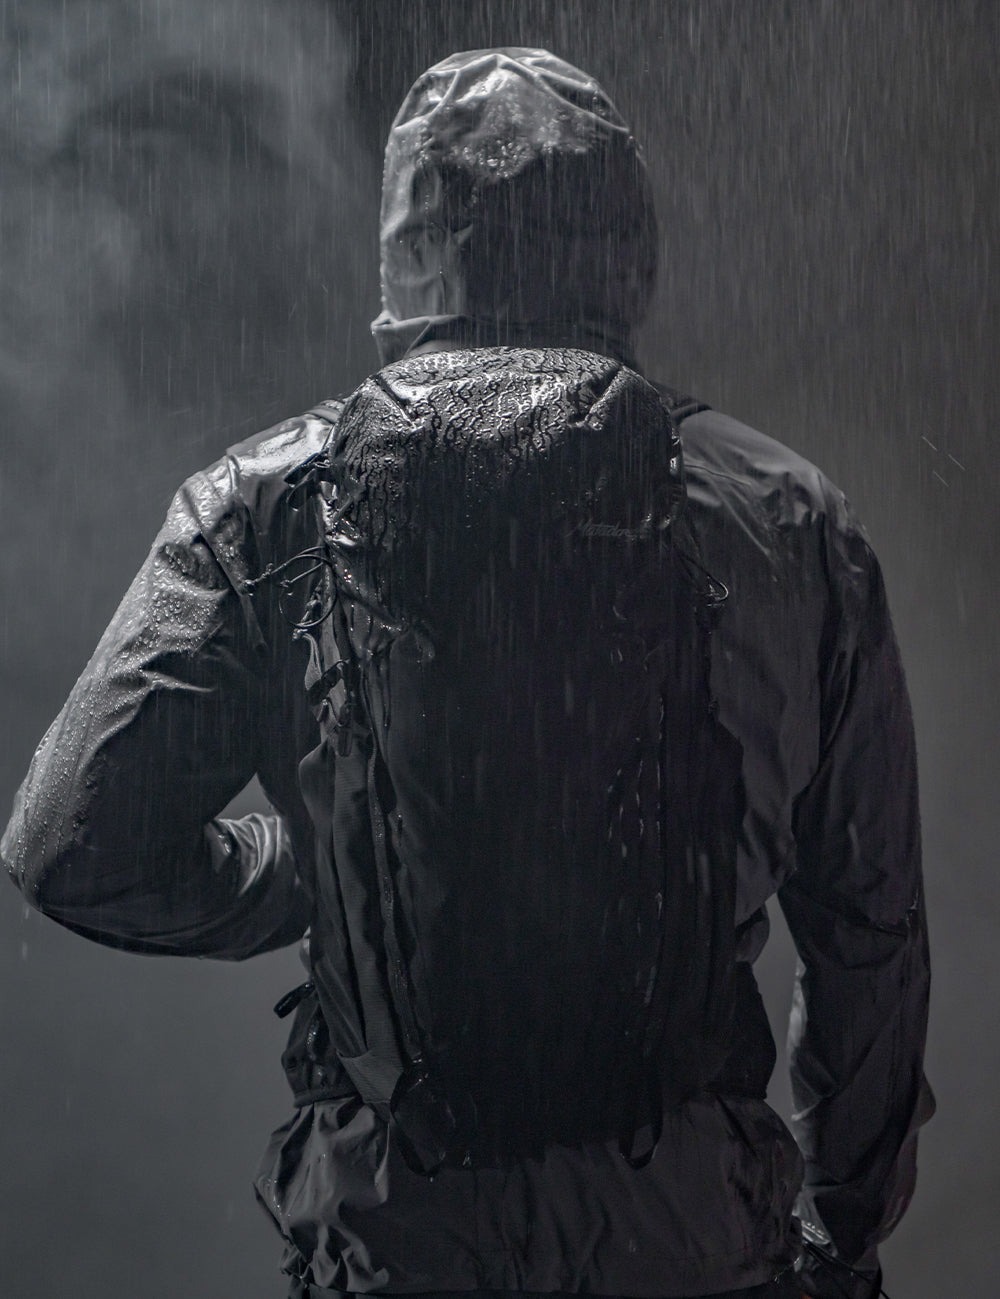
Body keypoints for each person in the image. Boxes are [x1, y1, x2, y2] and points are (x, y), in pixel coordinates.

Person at [2, 48, 931, 1299]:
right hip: (695, 1243)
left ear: (403, 262)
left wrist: (304, 868)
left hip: (397, 1245)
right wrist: (843, 1224)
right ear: (627, 252)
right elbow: (866, 931)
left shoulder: (263, 506)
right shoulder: (788, 518)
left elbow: (71, 848)